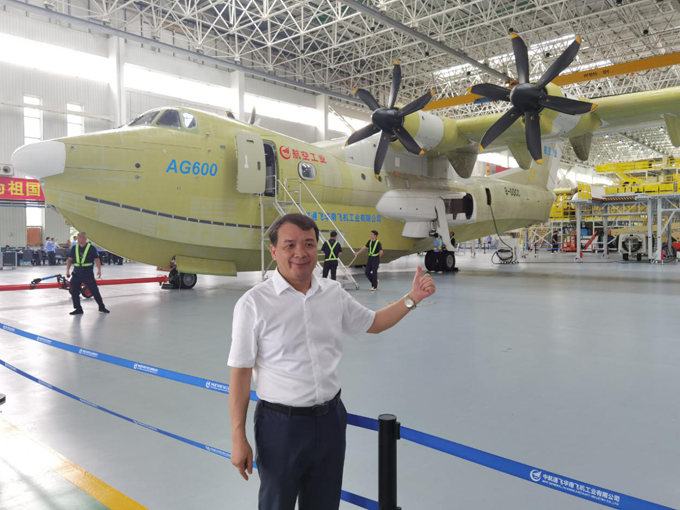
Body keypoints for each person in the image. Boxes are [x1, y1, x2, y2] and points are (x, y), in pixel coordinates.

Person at [228, 213, 435, 510]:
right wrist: (238, 436)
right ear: (273, 251)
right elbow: (240, 373)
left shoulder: (332, 293)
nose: (300, 253)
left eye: (309, 244)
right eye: (289, 245)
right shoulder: (253, 304)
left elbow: (374, 323)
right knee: (276, 504)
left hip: (330, 421)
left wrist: (412, 298)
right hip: (280, 427)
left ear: (318, 248)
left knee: (324, 503)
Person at [66, 232, 109, 315]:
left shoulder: (91, 248)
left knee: (94, 291)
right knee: (73, 290)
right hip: (76, 273)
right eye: (77, 238)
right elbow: (70, 260)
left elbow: (97, 259)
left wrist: (99, 270)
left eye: (79, 238)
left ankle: (101, 307)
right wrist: (67, 271)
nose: (77, 239)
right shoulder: (74, 248)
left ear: (84, 239)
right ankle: (78, 309)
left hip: (87, 274)